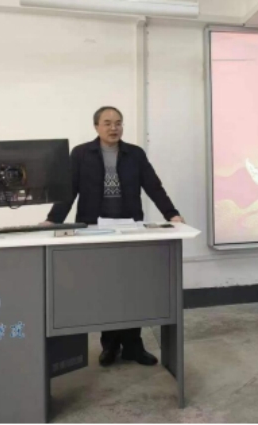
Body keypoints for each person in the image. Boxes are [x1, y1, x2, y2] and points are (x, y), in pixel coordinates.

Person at [44, 106, 184, 367]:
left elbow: (153, 186)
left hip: (130, 227)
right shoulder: (81, 154)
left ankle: (133, 345)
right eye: (107, 123)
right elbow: (68, 190)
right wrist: (53, 220)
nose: (114, 128)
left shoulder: (135, 154)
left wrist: (172, 214)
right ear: (96, 126)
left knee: (132, 287)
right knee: (104, 288)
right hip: (94, 228)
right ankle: (109, 345)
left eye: (118, 123)